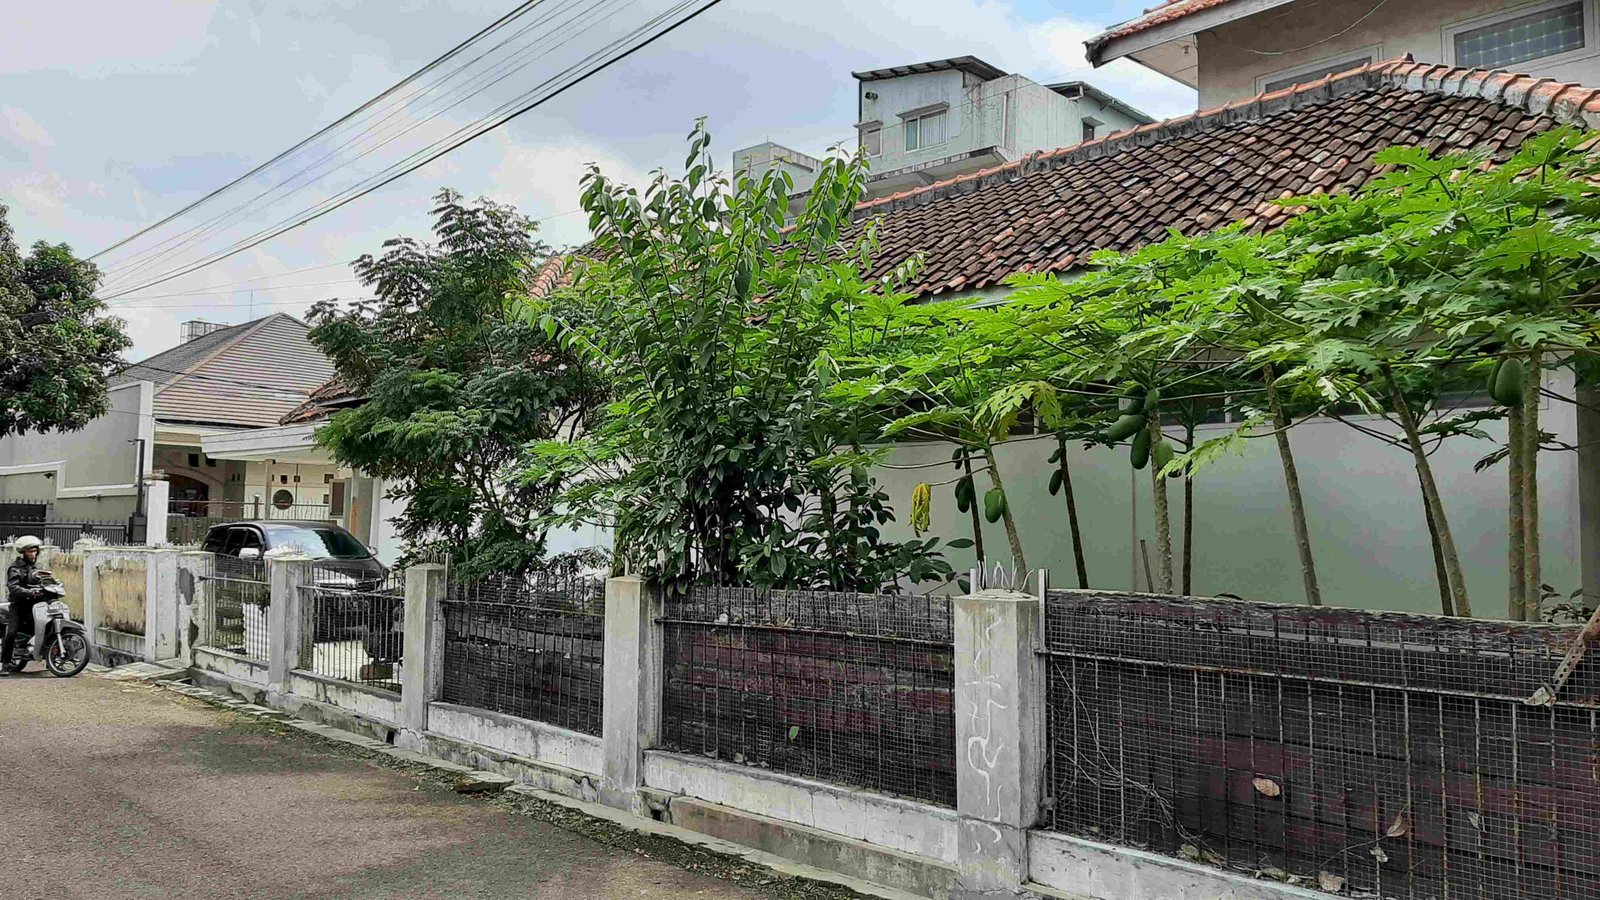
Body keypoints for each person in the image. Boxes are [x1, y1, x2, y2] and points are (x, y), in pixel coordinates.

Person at [4, 536, 47, 676]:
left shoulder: (34, 568)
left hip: (33, 605)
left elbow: (42, 582)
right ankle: (5, 663)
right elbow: (13, 587)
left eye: (35, 551)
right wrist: (30, 592)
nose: (33, 554)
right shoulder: (15, 568)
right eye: (30, 552)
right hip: (19, 605)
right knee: (12, 632)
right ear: (23, 552)